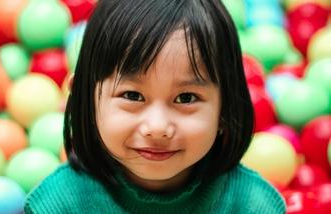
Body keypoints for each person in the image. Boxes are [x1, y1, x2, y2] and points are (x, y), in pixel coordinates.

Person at [24, 0, 286, 213]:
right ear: (86, 99)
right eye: (132, 95)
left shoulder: (251, 205)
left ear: (225, 108)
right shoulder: (60, 205)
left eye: (186, 98)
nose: (158, 127)